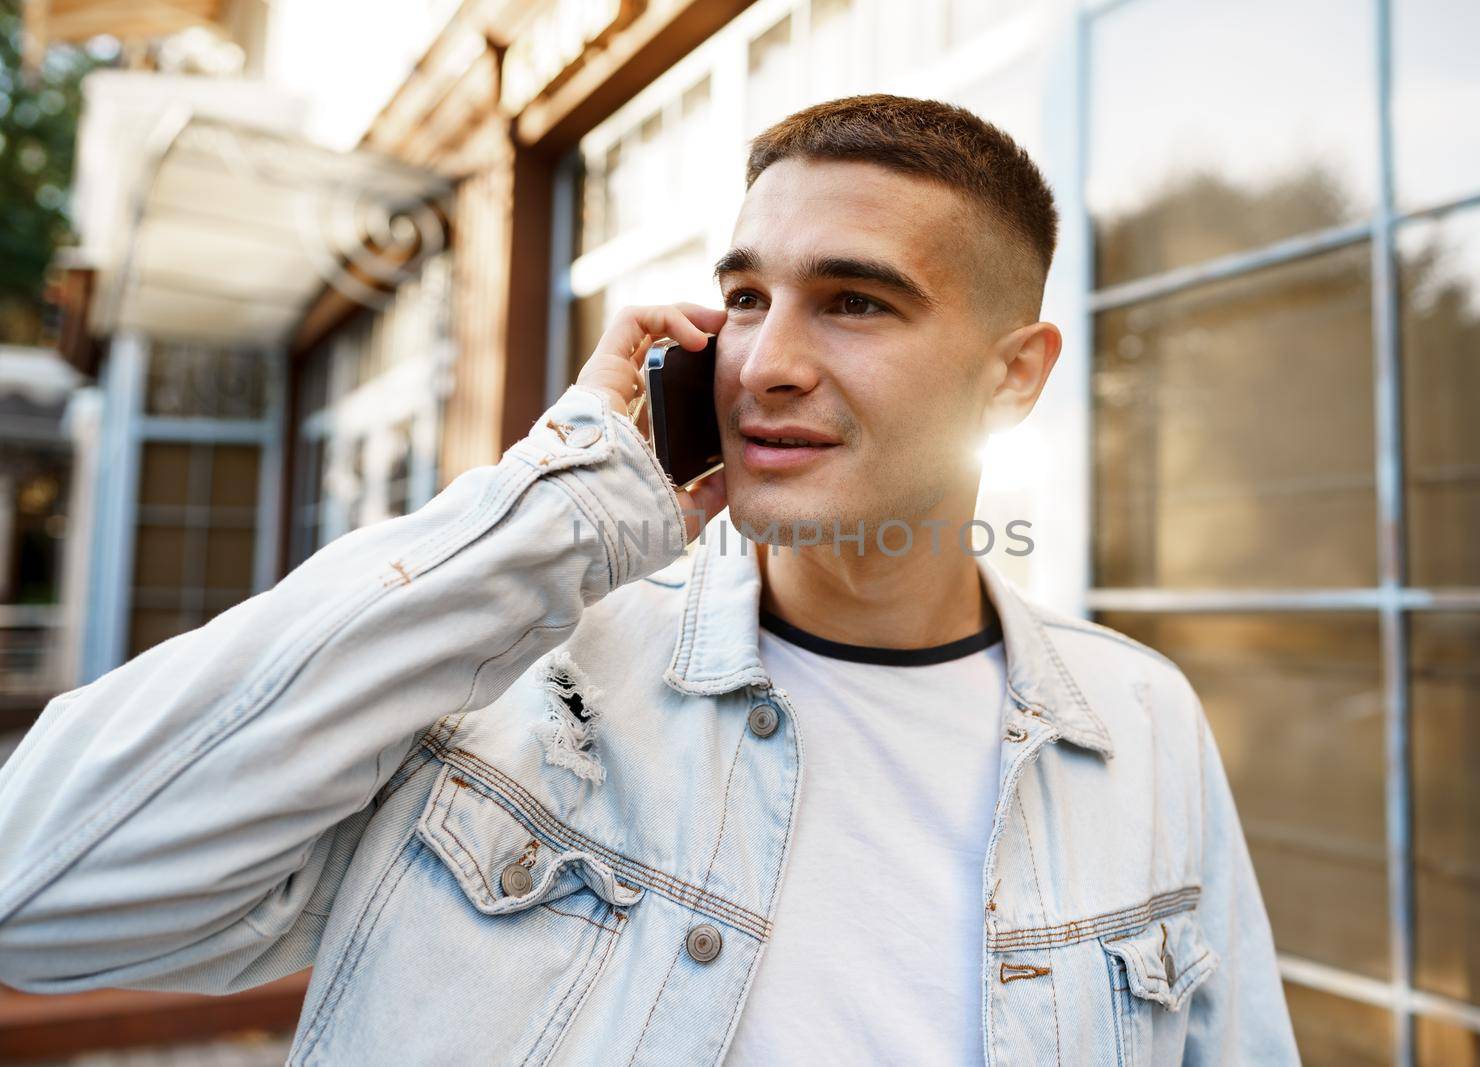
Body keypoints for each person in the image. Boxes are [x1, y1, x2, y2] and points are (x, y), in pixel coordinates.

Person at [0, 94, 1300, 1065]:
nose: (766, 362)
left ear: (1014, 375)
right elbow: (36, 899)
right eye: (745, 297)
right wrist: (559, 511)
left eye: (854, 302)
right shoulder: (514, 687)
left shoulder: (1137, 727)